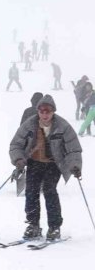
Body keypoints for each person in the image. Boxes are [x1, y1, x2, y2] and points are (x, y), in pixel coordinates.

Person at [9, 95, 82, 241]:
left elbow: (73, 149)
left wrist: (74, 165)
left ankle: (54, 227)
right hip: (34, 162)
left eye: (48, 111)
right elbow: (16, 144)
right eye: (42, 111)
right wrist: (18, 159)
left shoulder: (63, 126)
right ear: (38, 111)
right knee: (31, 192)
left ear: (53, 111)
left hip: (54, 164)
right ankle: (33, 225)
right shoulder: (30, 124)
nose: (45, 114)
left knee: (49, 190)